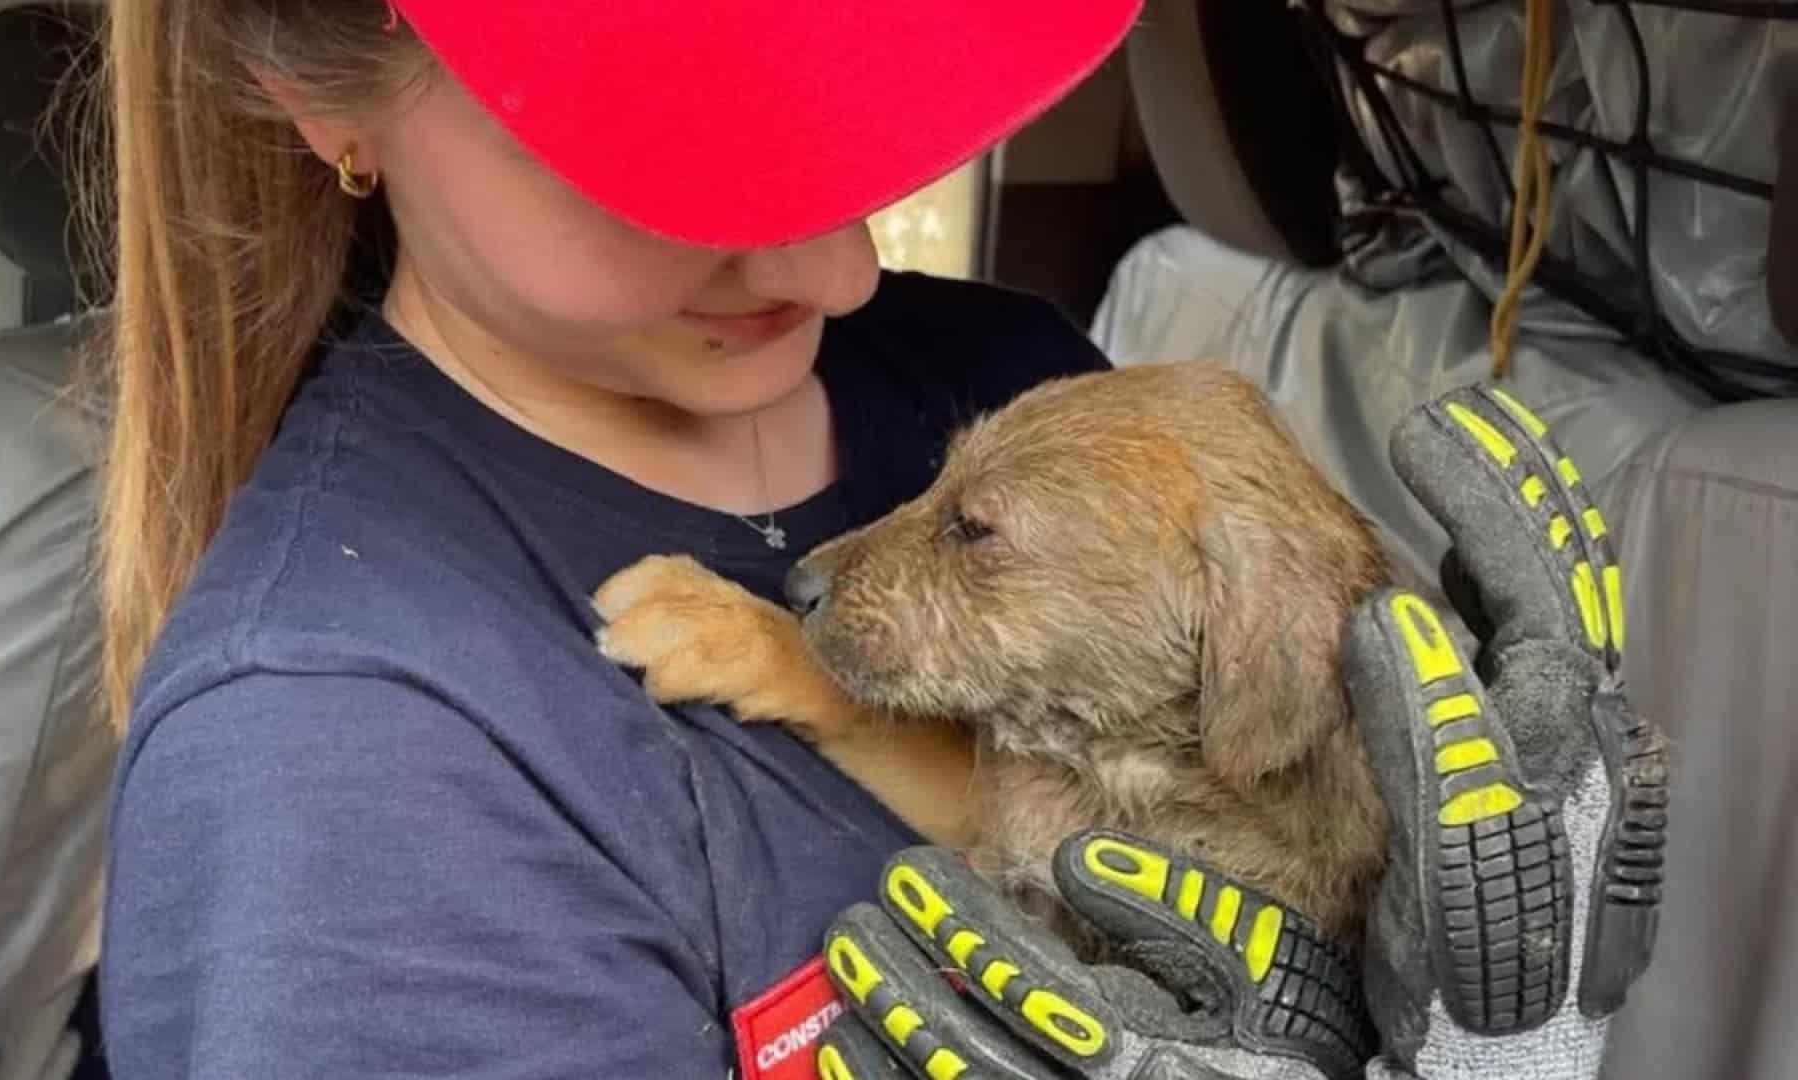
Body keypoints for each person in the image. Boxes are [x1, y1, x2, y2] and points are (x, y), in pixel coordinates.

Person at [90, 2, 1663, 1078]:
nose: (843, 268)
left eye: (842, 93)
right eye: (674, 138)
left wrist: (1472, 1040)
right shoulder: (343, 760)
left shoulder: (999, 366)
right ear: (329, 96)